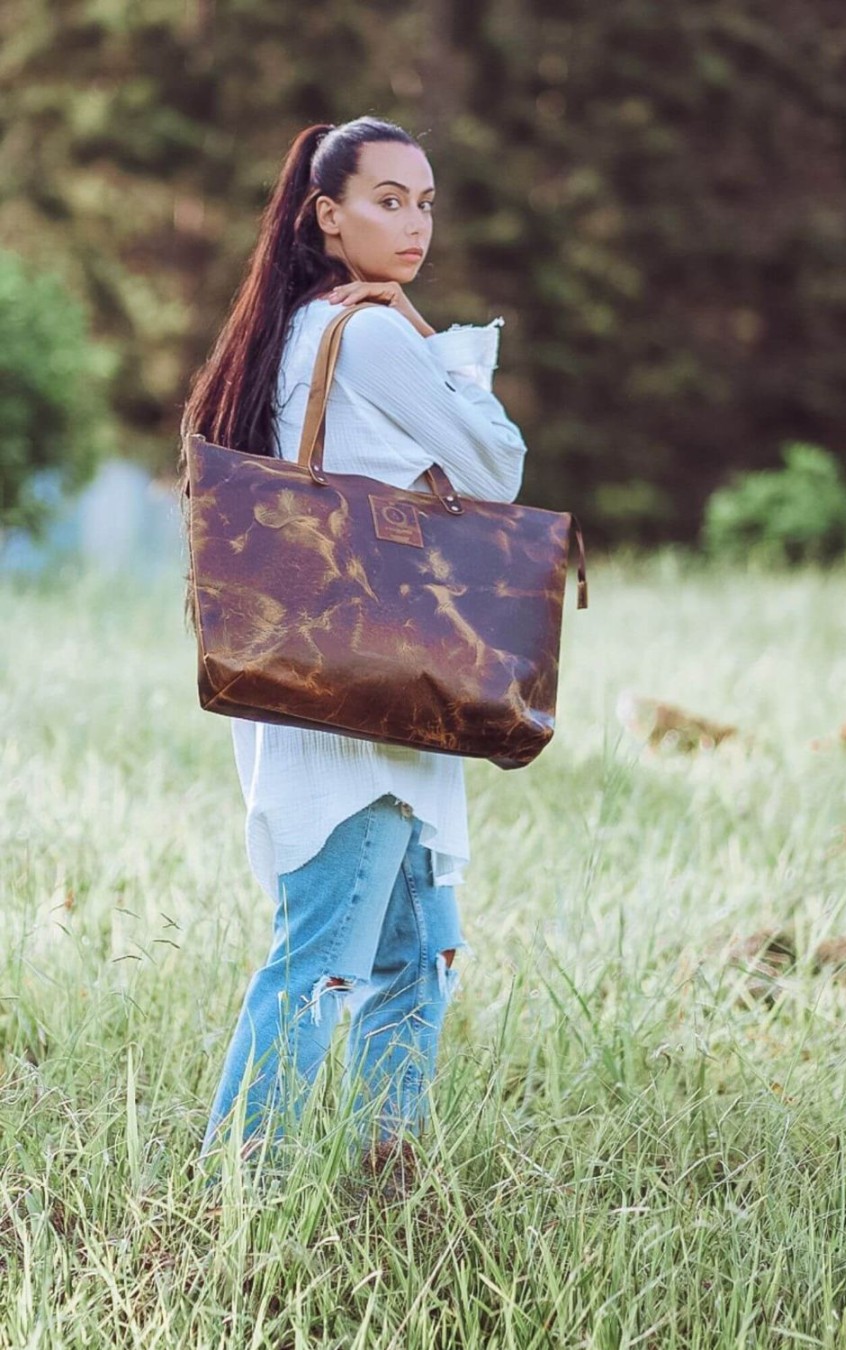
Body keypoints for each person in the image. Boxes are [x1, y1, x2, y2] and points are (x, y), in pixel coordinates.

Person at [179, 116, 528, 1173]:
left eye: (424, 201)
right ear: (326, 216)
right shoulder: (369, 335)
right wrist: (429, 341)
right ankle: (239, 1191)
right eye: (387, 199)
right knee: (322, 961)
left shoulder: (299, 330)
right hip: (366, 713)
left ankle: (387, 1174)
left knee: (412, 955)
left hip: (361, 693)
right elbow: (497, 465)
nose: (412, 220)